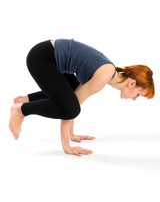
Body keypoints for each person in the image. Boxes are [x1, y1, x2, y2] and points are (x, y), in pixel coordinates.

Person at [9, 39, 155, 156]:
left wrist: (71, 134)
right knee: (71, 108)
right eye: (138, 94)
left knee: (70, 98)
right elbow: (71, 108)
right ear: (132, 83)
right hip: (42, 58)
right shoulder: (105, 75)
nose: (135, 99)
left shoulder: (108, 72)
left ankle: (26, 99)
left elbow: (73, 97)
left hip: (46, 55)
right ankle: (21, 110)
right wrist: (67, 146)